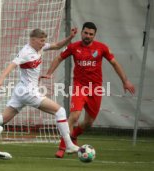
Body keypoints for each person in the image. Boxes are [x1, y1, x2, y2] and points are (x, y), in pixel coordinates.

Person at [0, 28, 80, 153]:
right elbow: (12, 65)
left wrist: (70, 37)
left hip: (21, 91)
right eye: (41, 41)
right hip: (28, 92)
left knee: (3, 118)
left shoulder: (39, 48)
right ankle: (68, 145)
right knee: (60, 111)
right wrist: (1, 79)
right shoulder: (26, 52)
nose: (43, 43)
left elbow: (57, 45)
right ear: (33, 40)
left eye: (44, 41)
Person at [40, 22, 135, 158]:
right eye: (85, 33)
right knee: (74, 116)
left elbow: (114, 63)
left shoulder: (102, 48)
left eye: (91, 34)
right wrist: (49, 73)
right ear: (82, 33)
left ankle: (73, 135)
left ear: (94, 35)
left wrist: (125, 81)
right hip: (79, 86)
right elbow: (59, 57)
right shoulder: (73, 47)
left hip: (95, 89)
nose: (87, 36)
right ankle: (62, 147)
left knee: (88, 123)